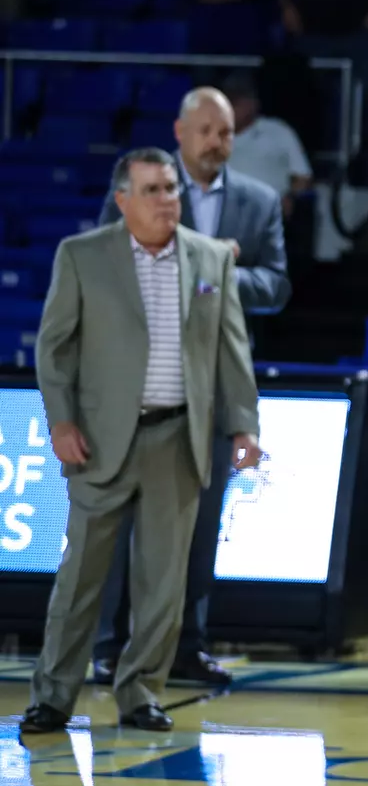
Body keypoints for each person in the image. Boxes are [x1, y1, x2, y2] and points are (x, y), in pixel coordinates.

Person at [20, 148, 261, 737]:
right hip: (99, 440)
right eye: (151, 190)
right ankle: (53, 694)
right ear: (122, 199)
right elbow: (54, 350)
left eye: (172, 189)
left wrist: (245, 424)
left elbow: (232, 349)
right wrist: (61, 422)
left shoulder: (209, 258)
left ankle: (142, 693)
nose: (166, 200)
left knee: (164, 583)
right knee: (81, 577)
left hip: (177, 437)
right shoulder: (80, 256)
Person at [92, 87, 288, 688]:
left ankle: (187, 645)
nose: (216, 142)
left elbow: (276, 286)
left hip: (212, 388)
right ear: (179, 134)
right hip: (138, 386)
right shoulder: (140, 190)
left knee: (201, 527)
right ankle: (110, 645)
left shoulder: (258, 203)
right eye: (205, 130)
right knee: (126, 521)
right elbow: (103, 267)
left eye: (225, 132)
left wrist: (221, 271)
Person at [221, 74, 312, 218]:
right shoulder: (212, 137)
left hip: (271, 212)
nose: (231, 108)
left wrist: (291, 197)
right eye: (228, 102)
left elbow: (302, 176)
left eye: (237, 102)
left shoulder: (278, 131)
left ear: (253, 104)